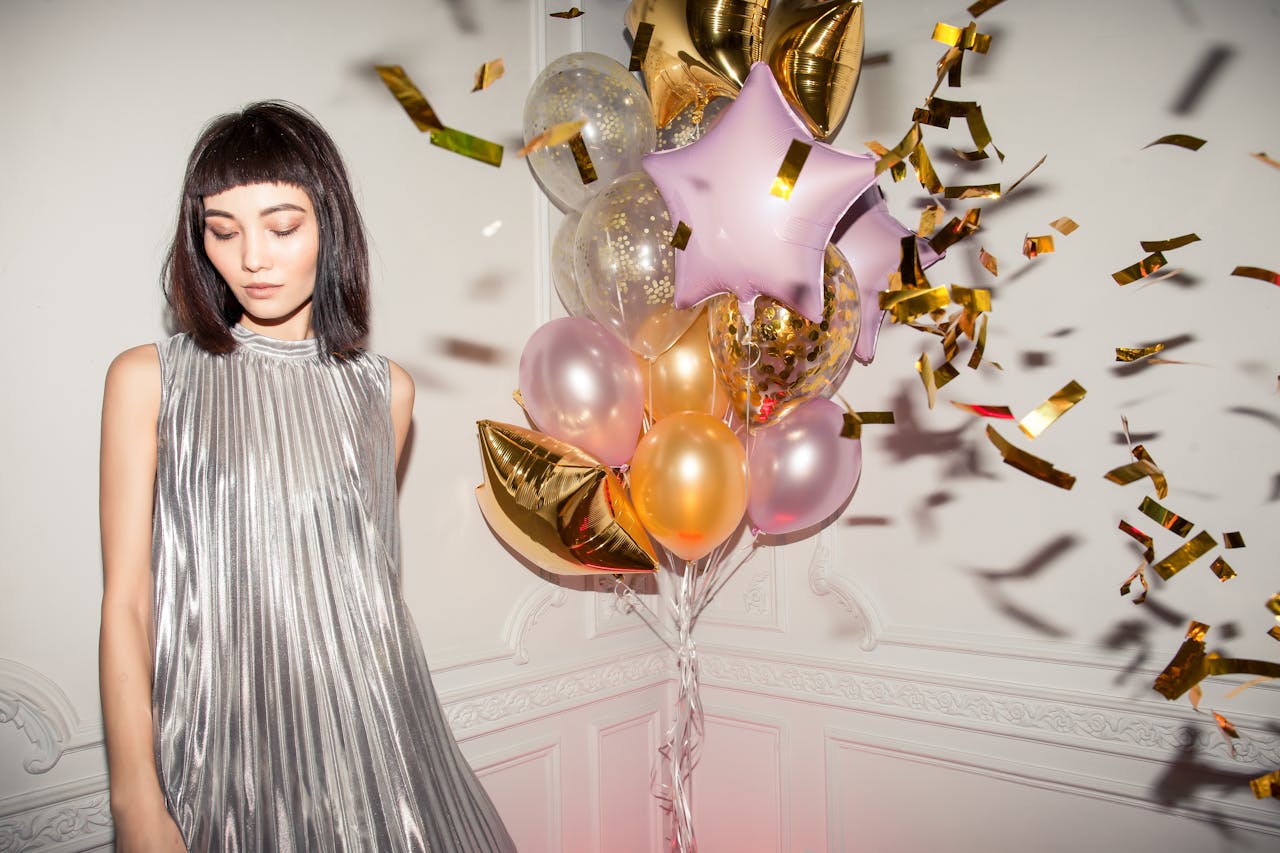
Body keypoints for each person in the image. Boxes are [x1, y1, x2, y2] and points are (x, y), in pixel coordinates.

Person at [98, 101, 517, 852]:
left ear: (330, 227)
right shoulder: (148, 380)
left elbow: (361, 594)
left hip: (380, 758)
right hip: (220, 766)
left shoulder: (386, 392)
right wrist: (135, 804)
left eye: (281, 227)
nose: (251, 257)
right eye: (222, 231)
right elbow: (128, 601)